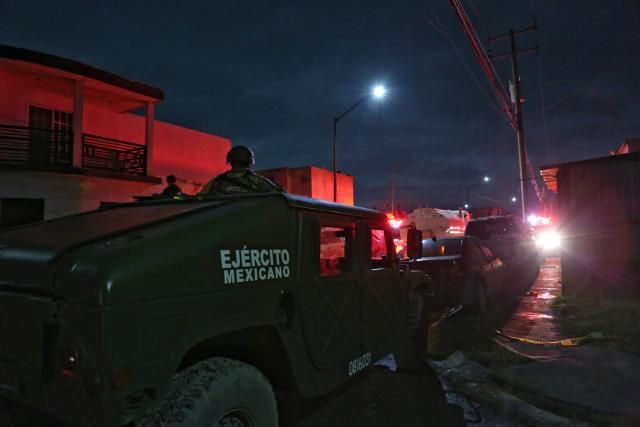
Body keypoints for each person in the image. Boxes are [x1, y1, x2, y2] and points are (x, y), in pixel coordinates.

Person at [198, 146, 283, 196]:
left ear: (230, 162)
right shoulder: (258, 181)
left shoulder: (216, 181)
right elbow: (281, 194)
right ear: (249, 163)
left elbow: (198, 199)